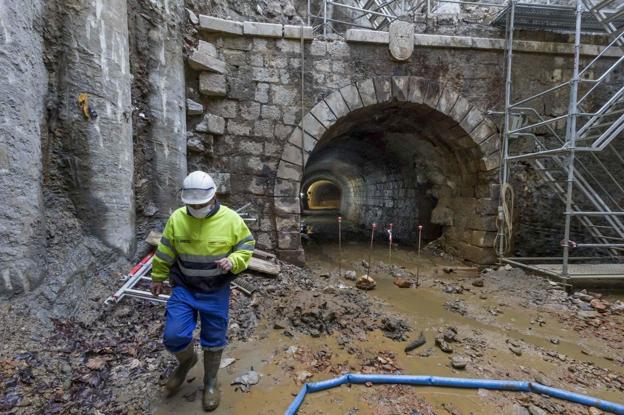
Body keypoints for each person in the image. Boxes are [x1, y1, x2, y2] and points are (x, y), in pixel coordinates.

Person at [150, 171, 255, 411]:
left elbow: (247, 245)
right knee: (173, 336)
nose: (197, 207)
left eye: (201, 203)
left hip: (215, 289)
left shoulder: (230, 219)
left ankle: (210, 381)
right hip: (184, 288)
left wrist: (234, 261)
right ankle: (187, 361)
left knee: (214, 339)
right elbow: (165, 251)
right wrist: (158, 276)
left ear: (213, 196)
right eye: (192, 204)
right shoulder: (177, 219)